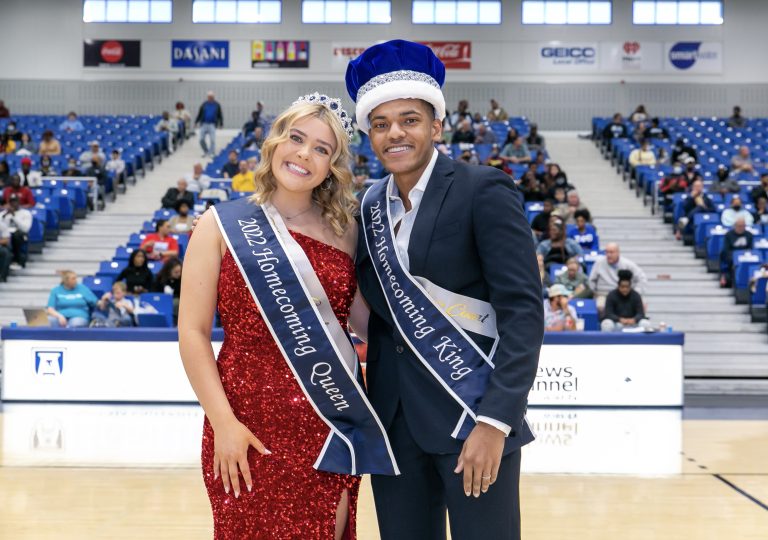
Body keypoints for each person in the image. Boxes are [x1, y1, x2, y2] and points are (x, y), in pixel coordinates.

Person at [348, 40, 542, 540]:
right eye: (381, 123)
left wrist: (496, 422)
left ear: (436, 126)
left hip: (472, 418)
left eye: (409, 120)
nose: (395, 133)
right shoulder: (367, 207)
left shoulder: (484, 188)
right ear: (369, 133)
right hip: (393, 425)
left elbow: (522, 313)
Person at [180, 94, 384, 539]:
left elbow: (365, 323)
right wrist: (224, 423)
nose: (304, 154)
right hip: (242, 422)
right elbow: (193, 334)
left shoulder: (347, 233)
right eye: (296, 138)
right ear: (275, 142)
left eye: (321, 148)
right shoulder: (219, 224)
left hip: (328, 422)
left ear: (332, 165)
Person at [588, 242, 647, 311]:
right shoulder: (599, 263)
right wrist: (595, 293)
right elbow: (591, 280)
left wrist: (635, 293)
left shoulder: (627, 264)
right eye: (606, 252)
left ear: (618, 252)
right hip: (604, 294)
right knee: (600, 306)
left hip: (625, 294)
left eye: (611, 252)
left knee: (642, 304)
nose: (608, 255)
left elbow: (642, 278)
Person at [720, 217, 754, 287]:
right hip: (732, 257)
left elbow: (751, 249)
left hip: (746, 257)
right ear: (735, 226)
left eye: (743, 226)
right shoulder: (729, 235)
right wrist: (735, 257)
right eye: (739, 226)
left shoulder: (749, 235)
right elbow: (726, 249)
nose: (741, 228)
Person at [0, 194, 32, 269]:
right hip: (6, 235)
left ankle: (17, 261)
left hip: (21, 235)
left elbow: (25, 228)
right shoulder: (3, 214)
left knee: (16, 235)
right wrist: (4, 216)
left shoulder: (25, 213)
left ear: (19, 202)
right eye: (11, 202)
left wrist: (14, 216)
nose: (13, 204)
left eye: (15, 201)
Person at [152, 256, 182, 324]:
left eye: (180, 272)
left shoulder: (181, 280)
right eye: (176, 272)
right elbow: (155, 292)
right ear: (169, 270)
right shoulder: (159, 278)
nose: (179, 274)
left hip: (175, 301)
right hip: (161, 300)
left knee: (176, 303)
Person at [195, 91, 223, 158]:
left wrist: (221, 124)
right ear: (207, 97)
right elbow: (199, 114)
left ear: (214, 97)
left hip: (212, 124)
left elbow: (220, 115)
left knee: (212, 140)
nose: (210, 98)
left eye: (212, 97)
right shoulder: (204, 104)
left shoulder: (217, 105)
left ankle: (212, 153)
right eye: (209, 97)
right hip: (204, 124)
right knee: (201, 139)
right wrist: (196, 122)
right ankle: (206, 151)